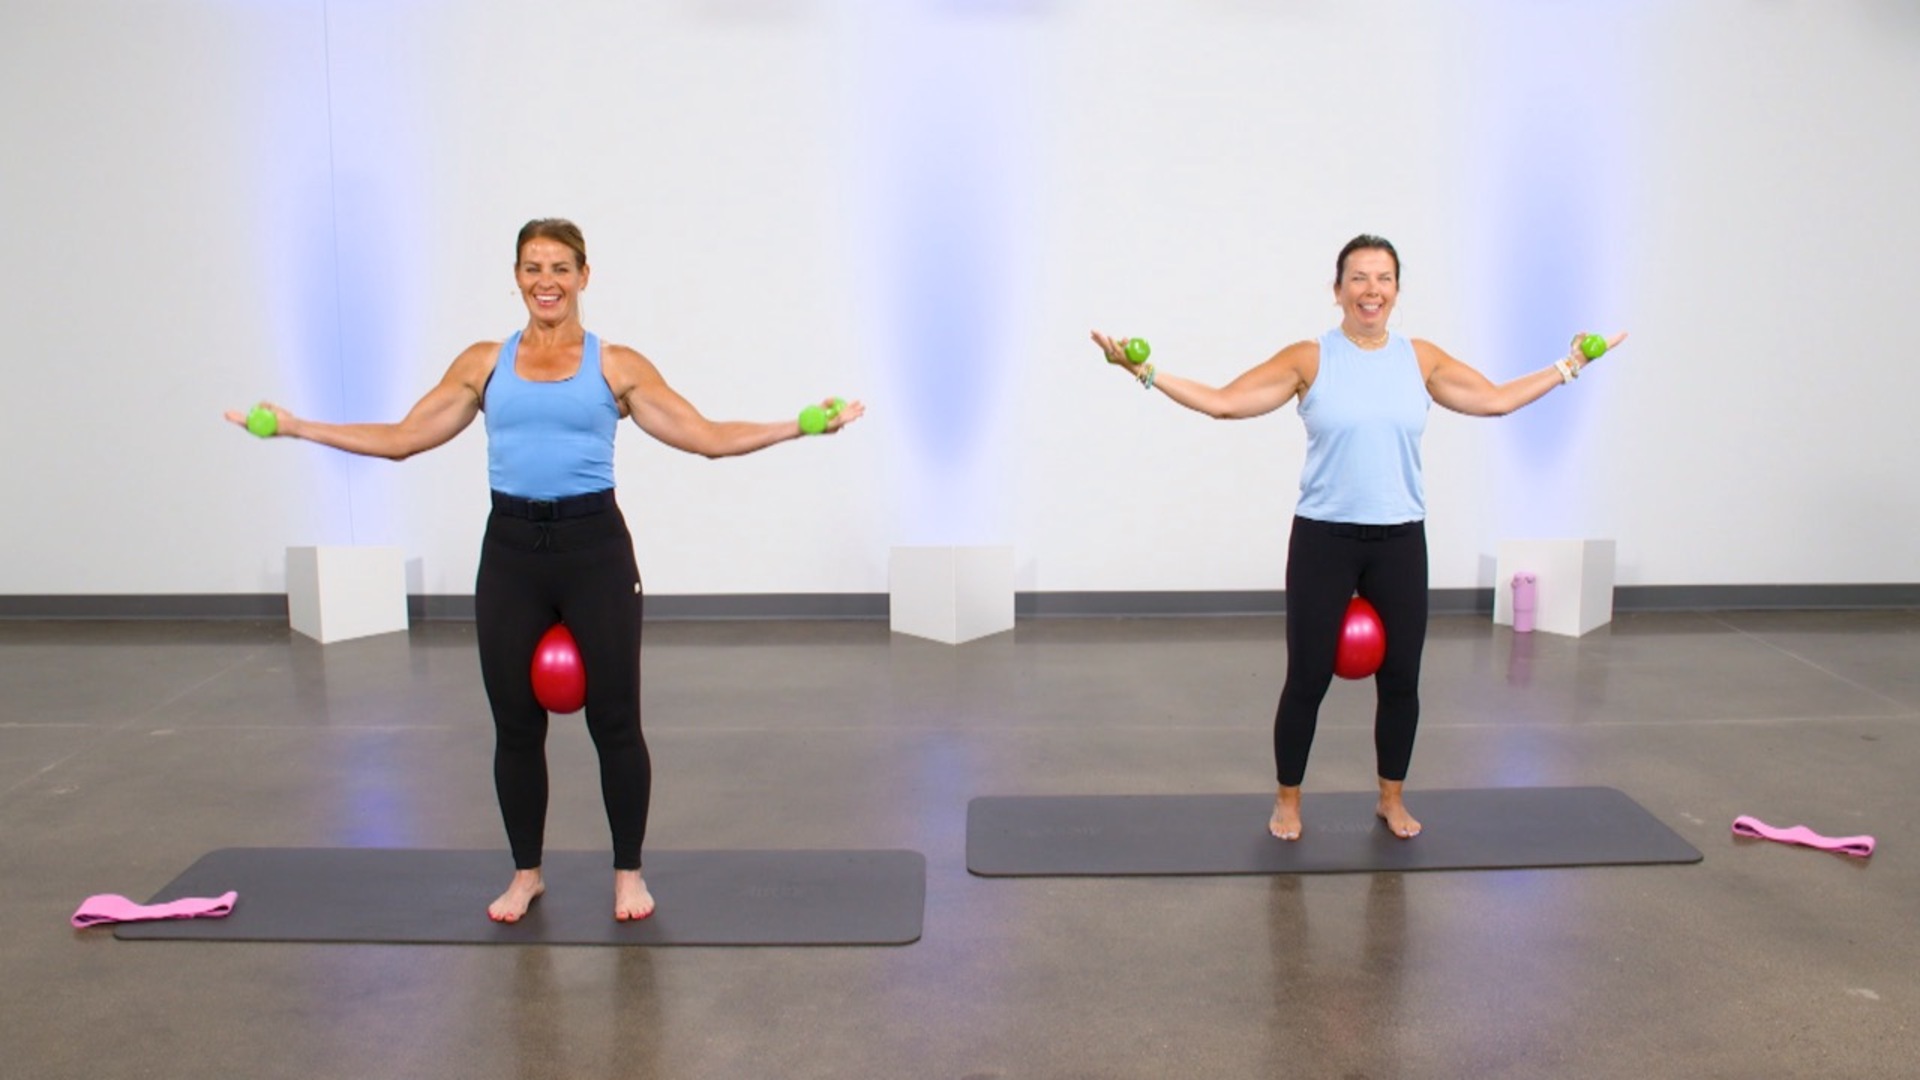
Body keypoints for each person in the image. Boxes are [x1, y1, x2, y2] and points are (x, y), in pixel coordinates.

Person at [228, 218, 863, 922]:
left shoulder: (616, 366)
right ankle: (526, 872)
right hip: (510, 553)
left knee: (615, 723)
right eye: (532, 268)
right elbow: (405, 439)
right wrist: (296, 427)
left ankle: (628, 874)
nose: (546, 281)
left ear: (584, 276)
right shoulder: (483, 363)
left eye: (560, 267)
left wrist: (799, 426)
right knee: (515, 727)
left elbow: (705, 438)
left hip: (594, 551)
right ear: (517, 277)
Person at [1091, 234, 1622, 842]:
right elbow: (1224, 403)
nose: (1372, 290)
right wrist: (1144, 371)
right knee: (1307, 677)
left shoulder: (1419, 359)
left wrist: (1570, 365)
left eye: (1384, 278)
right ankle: (1288, 800)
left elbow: (1496, 401)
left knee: (1401, 679)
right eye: (1360, 278)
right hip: (1325, 538)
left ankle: (1390, 799)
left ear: (1397, 290)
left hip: (1399, 539)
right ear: (1337, 289)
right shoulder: (1309, 359)